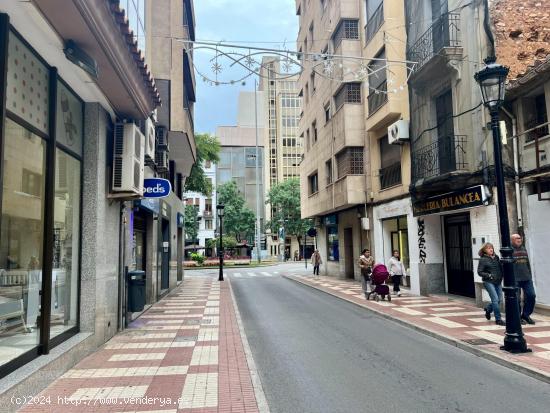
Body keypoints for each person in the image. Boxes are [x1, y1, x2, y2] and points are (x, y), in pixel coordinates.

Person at [477, 242, 505, 326]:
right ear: (485, 250)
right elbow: (479, 272)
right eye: (488, 248)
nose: (491, 249)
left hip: (498, 281)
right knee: (495, 299)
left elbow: (500, 268)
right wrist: (489, 275)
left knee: (499, 299)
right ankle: (498, 319)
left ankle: (488, 309)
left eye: (491, 248)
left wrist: (502, 275)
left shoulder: (496, 257)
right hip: (488, 282)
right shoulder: (483, 259)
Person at [511, 234, 536, 325]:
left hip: (526, 278)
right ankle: (518, 317)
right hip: (515, 278)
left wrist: (529, 274)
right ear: (512, 240)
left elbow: (527, 262)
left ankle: (525, 314)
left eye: (519, 238)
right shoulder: (509, 250)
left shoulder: (523, 248)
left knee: (531, 295)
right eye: (517, 238)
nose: (519, 239)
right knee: (516, 299)